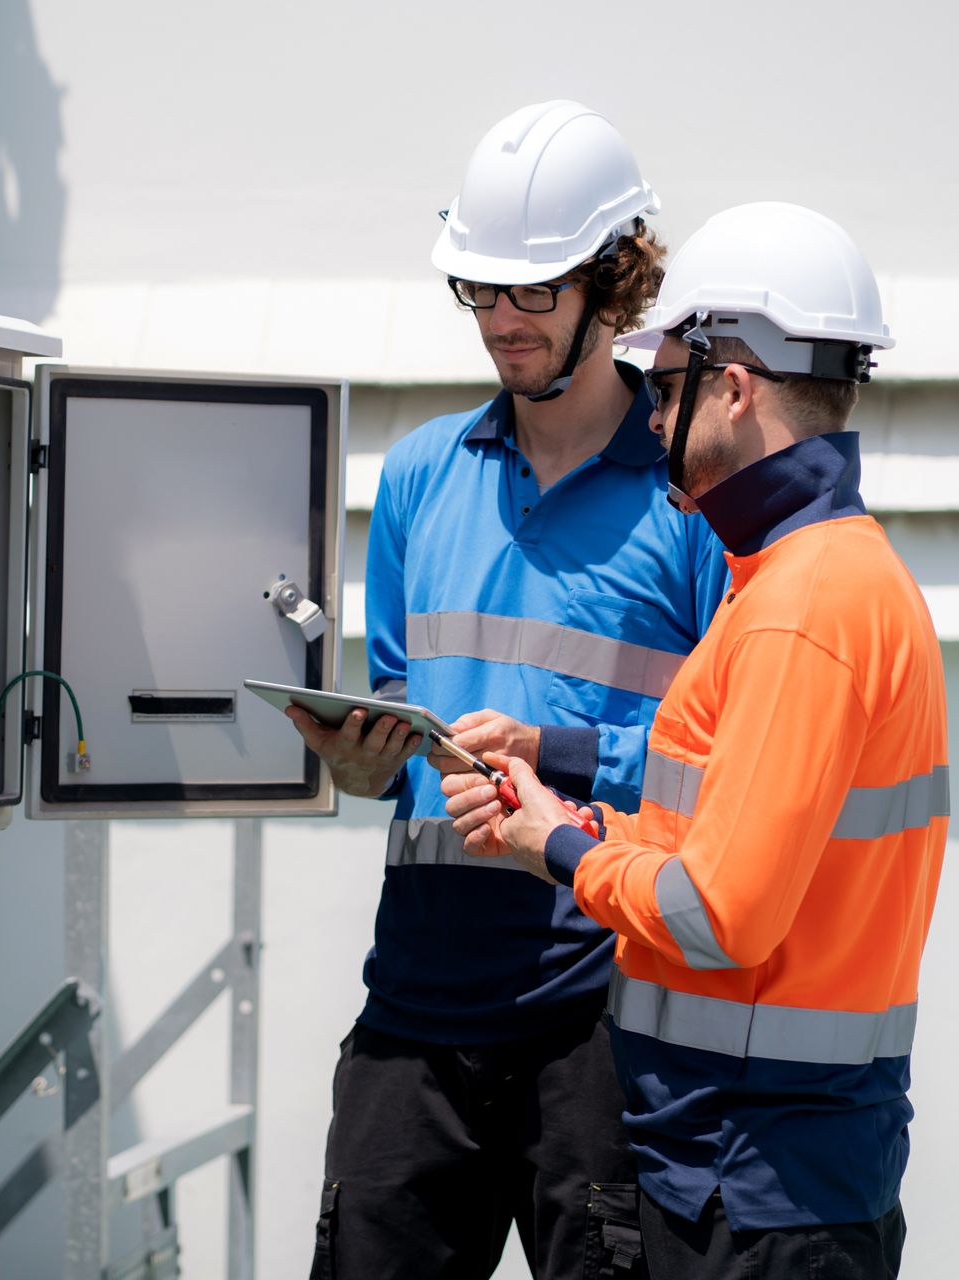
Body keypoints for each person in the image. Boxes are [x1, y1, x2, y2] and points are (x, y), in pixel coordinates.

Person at [442, 201, 949, 1280]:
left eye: (665, 385)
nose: (651, 413)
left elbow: (720, 913)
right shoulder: (797, 575)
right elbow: (714, 838)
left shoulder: (800, 604)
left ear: (734, 385)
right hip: (754, 1170)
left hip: (759, 1183)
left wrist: (558, 847)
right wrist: (571, 802)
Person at [283, 100, 728, 1278]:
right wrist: (366, 755)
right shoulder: (422, 475)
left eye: (531, 292)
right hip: (415, 1003)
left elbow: (727, 761)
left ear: (611, 284)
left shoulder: (688, 502)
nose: (501, 322)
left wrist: (558, 743)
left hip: (605, 1012)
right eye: (481, 291)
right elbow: (400, 700)